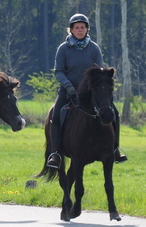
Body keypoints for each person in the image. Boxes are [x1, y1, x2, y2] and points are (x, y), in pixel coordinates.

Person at [46, 13, 127, 169]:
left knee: (114, 112)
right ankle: (55, 153)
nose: (80, 30)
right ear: (71, 30)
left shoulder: (93, 48)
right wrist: (69, 86)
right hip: (68, 89)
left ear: (87, 29)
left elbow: (99, 71)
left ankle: (115, 149)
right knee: (56, 114)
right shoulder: (63, 49)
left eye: (82, 27)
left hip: (90, 91)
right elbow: (58, 71)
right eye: (76, 27)